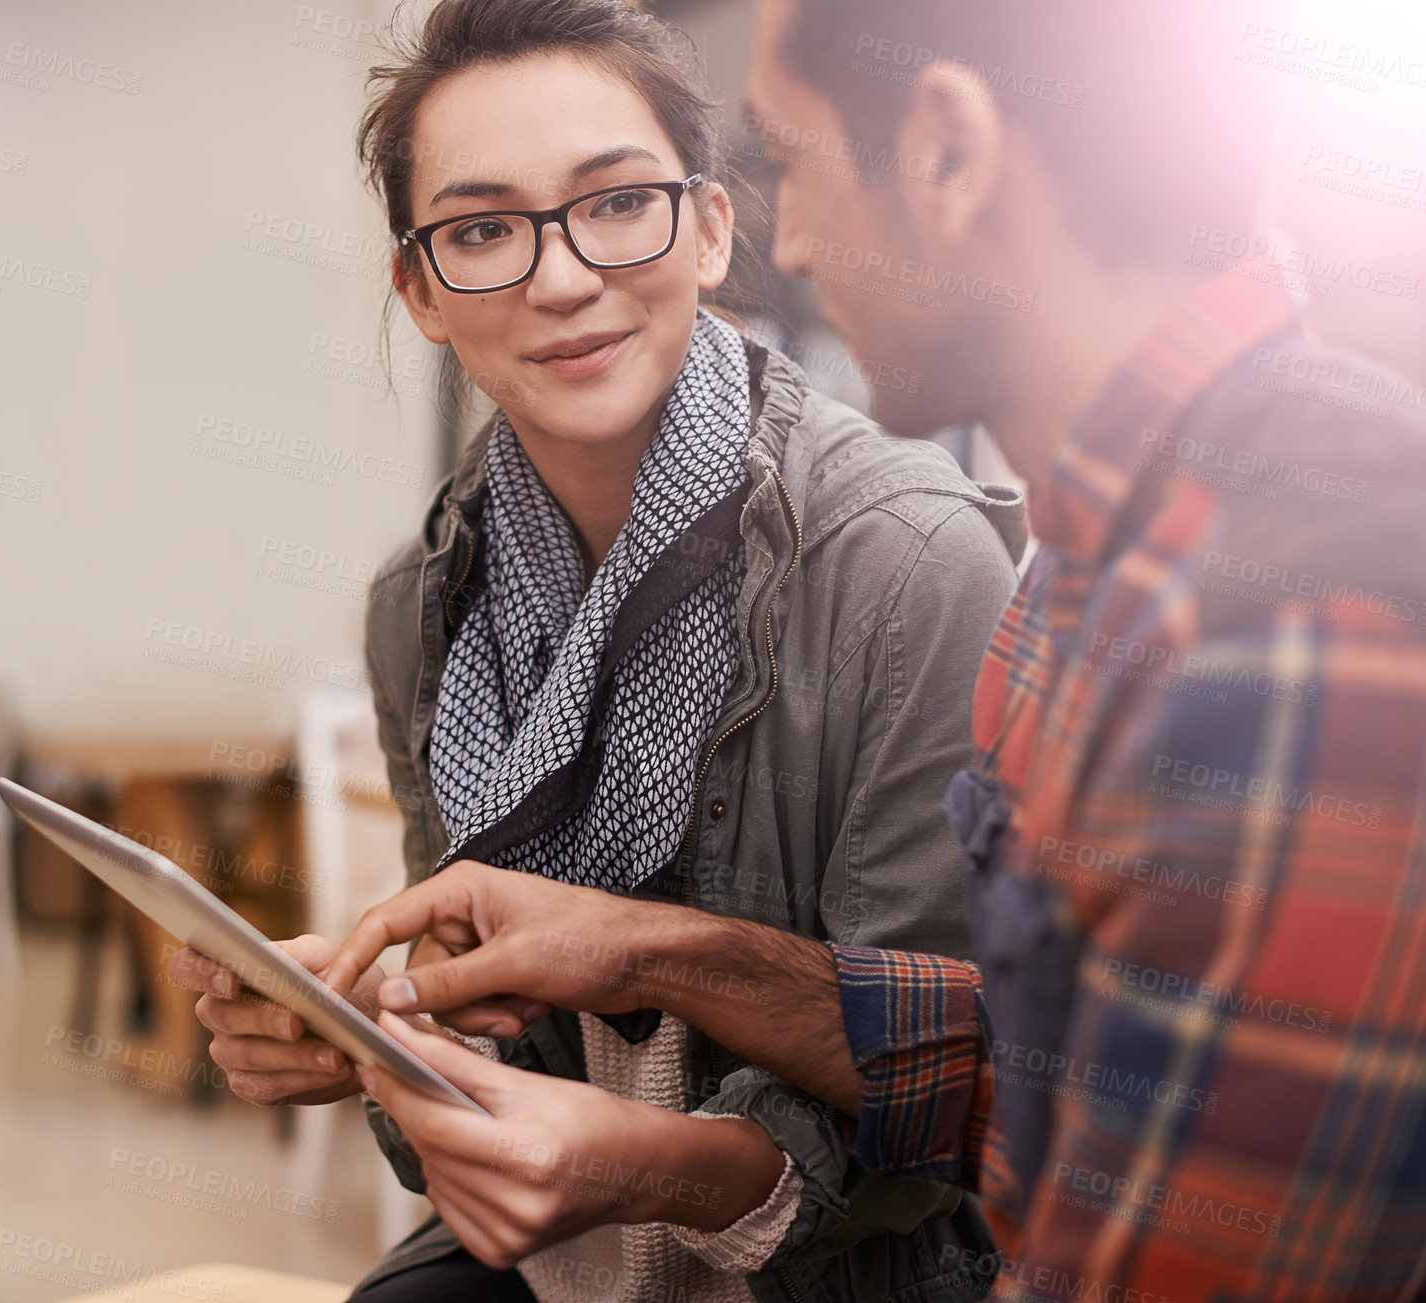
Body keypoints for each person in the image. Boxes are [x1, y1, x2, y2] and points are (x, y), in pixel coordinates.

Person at [323, 0, 1426, 1300]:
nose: (784, 241)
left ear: (948, 152)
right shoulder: (1084, 569)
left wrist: (659, 1140)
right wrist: (491, 993)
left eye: (786, 161)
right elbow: (1036, 1067)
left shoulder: (1277, 616)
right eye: (483, 229)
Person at [171, 0, 1025, 1300]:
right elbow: (474, 1054)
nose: (561, 277)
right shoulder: (422, 607)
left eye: (616, 203)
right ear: (419, 291)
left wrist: (652, 1158)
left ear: (710, 226)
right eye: (479, 231)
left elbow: (954, 1087)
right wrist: (371, 1031)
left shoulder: (906, 564)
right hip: (553, 1265)